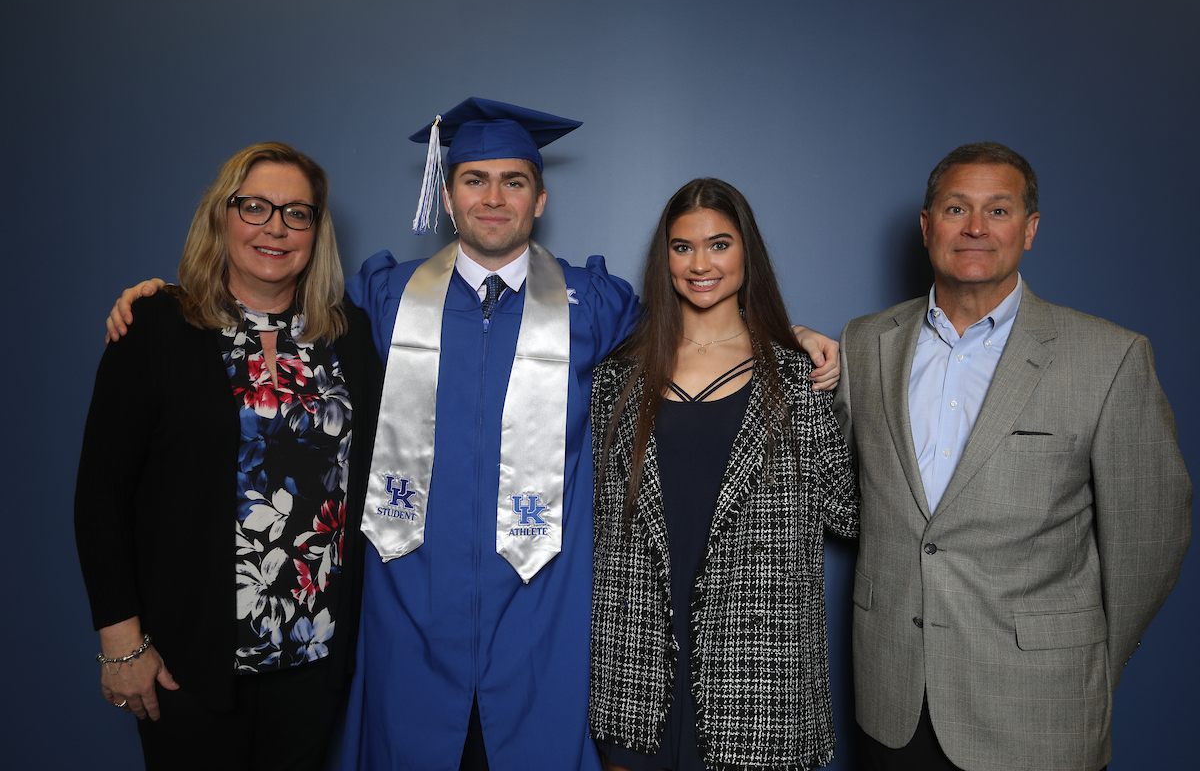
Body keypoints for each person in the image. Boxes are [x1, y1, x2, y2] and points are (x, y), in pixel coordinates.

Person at [103, 99, 841, 770]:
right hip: (410, 614)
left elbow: (696, 326)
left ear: (540, 198)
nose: (494, 198)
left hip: (541, 616)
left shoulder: (598, 304)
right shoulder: (380, 298)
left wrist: (787, 337)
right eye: (474, 180)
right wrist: (169, 297)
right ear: (448, 195)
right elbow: (269, 308)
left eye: (514, 181)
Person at [835, 142, 1192, 771]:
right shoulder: (864, 344)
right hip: (893, 706)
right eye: (955, 208)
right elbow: (842, 496)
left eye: (998, 211)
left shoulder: (1109, 358)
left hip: (1039, 707)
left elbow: (1151, 538)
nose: (975, 228)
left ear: (1029, 230)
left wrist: (1079, 658)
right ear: (927, 228)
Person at [75, 142, 381, 771]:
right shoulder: (155, 326)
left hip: (314, 657)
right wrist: (119, 642)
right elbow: (101, 493)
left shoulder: (349, 336)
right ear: (221, 216)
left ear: (316, 231)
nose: (275, 227)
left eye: (297, 213)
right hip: (186, 659)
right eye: (255, 207)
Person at [589, 178, 860, 771]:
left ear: (746, 253)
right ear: (665, 258)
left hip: (761, 679)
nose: (700, 264)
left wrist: (839, 383)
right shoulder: (616, 379)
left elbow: (848, 511)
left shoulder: (798, 379)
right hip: (635, 676)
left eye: (719, 244)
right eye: (682, 247)